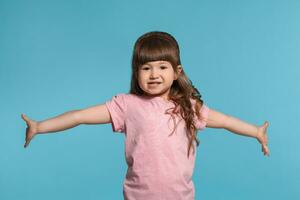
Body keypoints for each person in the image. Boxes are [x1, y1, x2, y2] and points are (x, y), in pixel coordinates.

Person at [21, 31, 270, 200]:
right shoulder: (127, 105)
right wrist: (40, 126)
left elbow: (225, 121)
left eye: (162, 67)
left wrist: (256, 132)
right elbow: (80, 116)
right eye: (146, 67)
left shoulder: (187, 106)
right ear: (136, 72)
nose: (154, 74)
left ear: (176, 72)